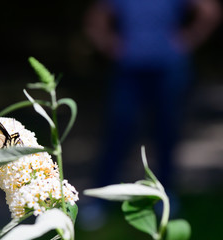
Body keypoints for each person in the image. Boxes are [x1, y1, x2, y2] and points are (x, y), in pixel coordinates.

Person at [79, 0, 221, 230]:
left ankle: (165, 196)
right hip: (129, 70)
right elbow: (95, 19)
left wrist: (189, 38)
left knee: (166, 132)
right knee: (119, 131)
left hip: (169, 68)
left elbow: (210, 10)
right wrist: (110, 44)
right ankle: (100, 199)